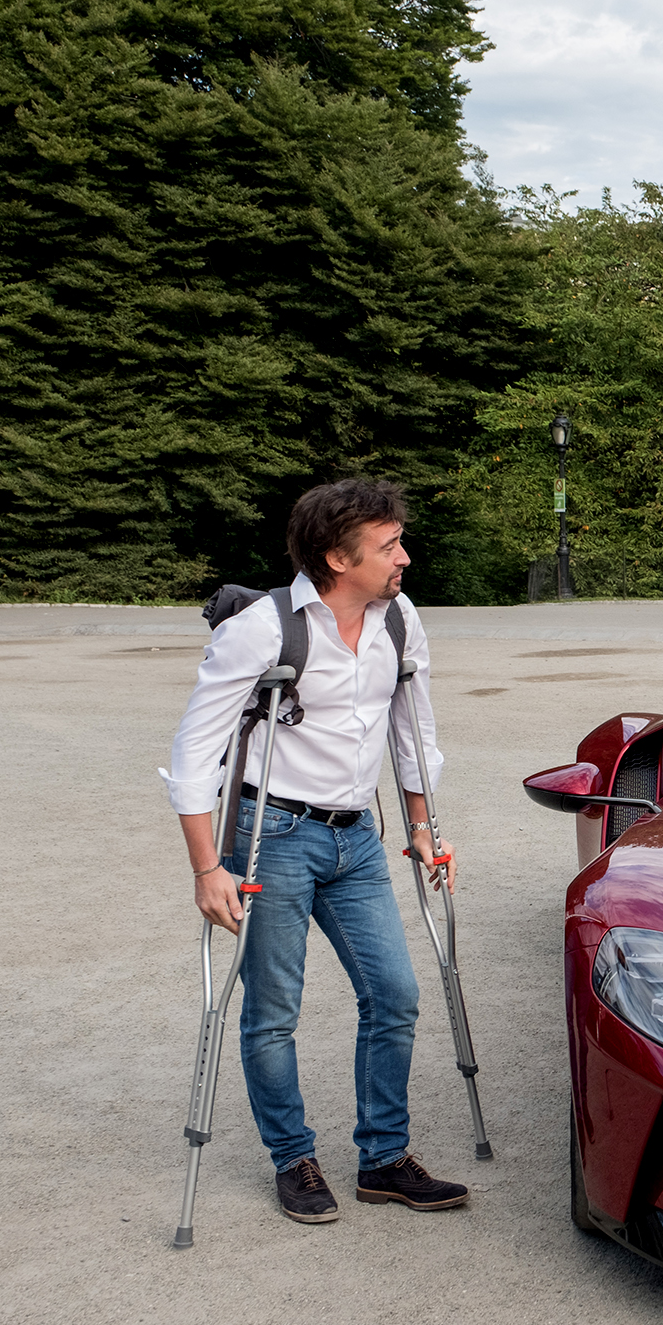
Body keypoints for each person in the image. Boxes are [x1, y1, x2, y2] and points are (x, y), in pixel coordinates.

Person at [164, 480, 469, 1225]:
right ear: (339, 557)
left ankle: (384, 1159)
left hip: (357, 837)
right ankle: (292, 1158)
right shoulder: (263, 630)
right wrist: (208, 869)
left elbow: (412, 731)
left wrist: (423, 827)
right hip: (272, 839)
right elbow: (194, 751)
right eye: (389, 545)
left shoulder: (399, 619)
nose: (405, 556)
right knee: (273, 1011)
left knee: (394, 996)